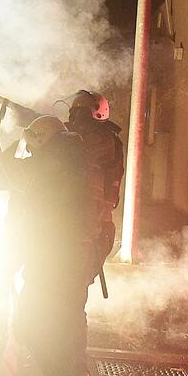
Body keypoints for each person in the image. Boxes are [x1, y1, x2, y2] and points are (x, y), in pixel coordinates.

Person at [0, 115, 94, 376]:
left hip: (51, 264)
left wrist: (17, 144)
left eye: (35, 140)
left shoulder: (46, 167)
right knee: (61, 328)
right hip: (69, 261)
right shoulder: (74, 164)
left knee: (30, 327)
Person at [64, 90, 124, 278]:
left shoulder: (102, 139)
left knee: (76, 276)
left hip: (91, 218)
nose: (75, 119)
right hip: (83, 216)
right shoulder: (90, 138)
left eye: (79, 113)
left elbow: (81, 155)